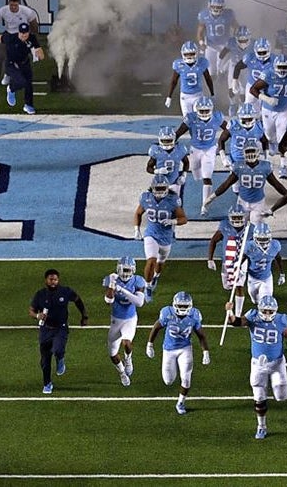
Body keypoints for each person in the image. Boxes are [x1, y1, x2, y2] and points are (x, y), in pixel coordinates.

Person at [225, 294, 287, 440]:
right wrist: (230, 312)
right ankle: (261, 426)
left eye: (270, 311)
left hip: (277, 363)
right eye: (264, 311)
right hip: (258, 364)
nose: (267, 314)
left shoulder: (281, 320)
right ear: (259, 309)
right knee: (259, 396)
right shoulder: (252, 316)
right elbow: (236, 322)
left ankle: (276, 389)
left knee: (281, 396)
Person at [145, 291, 210, 415]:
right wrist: (150, 344)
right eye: (180, 306)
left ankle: (180, 402)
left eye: (185, 306)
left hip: (185, 348)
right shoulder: (167, 313)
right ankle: (177, 392)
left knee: (186, 378)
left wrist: (205, 352)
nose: (182, 308)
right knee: (168, 381)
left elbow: (201, 335)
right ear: (175, 305)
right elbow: (156, 327)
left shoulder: (194, 315)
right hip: (169, 349)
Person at [29, 269, 88, 394]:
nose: (53, 282)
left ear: (58, 280)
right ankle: (47, 384)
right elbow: (31, 310)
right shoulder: (40, 294)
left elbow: (78, 300)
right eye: (51, 279)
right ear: (46, 280)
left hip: (60, 328)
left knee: (58, 349)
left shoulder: (65, 292)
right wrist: (37, 316)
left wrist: (84, 316)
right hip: (45, 330)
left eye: (55, 279)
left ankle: (60, 359)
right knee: (45, 361)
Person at [204, 142, 287, 222]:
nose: (251, 154)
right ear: (244, 153)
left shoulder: (265, 167)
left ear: (257, 152)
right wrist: (212, 197)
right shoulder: (239, 166)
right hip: (242, 201)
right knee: (240, 226)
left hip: (258, 203)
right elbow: (227, 184)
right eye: (248, 151)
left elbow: (276, 184)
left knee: (255, 225)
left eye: (253, 151)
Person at [131, 175, 188, 294]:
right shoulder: (146, 198)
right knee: (151, 260)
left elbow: (183, 219)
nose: (161, 191)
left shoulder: (172, 200)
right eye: (158, 188)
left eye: (163, 188)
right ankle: (147, 287)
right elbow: (138, 213)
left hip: (166, 237)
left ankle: (156, 276)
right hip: (151, 233)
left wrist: (173, 221)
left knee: (160, 263)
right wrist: (137, 229)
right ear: (152, 188)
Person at [174, 97, 228, 216]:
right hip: (195, 148)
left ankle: (205, 205)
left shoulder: (217, 117)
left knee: (206, 177)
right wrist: (172, 142)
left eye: (206, 111)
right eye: (201, 111)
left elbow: (229, 129)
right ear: (196, 110)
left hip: (210, 149)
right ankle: (200, 181)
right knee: (196, 174)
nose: (204, 113)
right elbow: (180, 131)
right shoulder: (191, 118)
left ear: (211, 109)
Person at [0, 22, 44, 115]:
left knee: (29, 84)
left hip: (25, 63)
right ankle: (11, 89)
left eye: (26, 33)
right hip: (12, 64)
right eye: (22, 33)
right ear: (19, 32)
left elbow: (39, 50)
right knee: (21, 82)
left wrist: (39, 54)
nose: (24, 35)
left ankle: (28, 105)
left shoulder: (32, 38)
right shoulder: (11, 38)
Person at [249, 54, 287, 160]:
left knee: (283, 136)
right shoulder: (269, 74)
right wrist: (267, 99)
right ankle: (272, 142)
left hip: (285, 109)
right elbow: (253, 89)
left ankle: (283, 164)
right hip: (268, 109)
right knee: (269, 134)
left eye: (284, 67)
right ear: (275, 67)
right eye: (280, 67)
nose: (282, 70)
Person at [103, 257, 147, 387]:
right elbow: (108, 300)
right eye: (124, 269)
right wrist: (111, 284)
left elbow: (139, 302)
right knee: (112, 353)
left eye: (128, 270)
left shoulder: (138, 281)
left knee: (127, 343)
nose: (126, 273)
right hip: (116, 319)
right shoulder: (111, 279)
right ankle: (122, 372)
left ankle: (128, 359)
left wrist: (121, 290)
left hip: (130, 318)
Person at [234, 222, 285, 304]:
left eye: (265, 239)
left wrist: (282, 274)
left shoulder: (275, 246)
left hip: (267, 278)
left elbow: (278, 258)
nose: (263, 242)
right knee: (255, 301)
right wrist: (238, 269)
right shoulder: (249, 247)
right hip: (253, 278)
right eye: (260, 239)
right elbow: (241, 259)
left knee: (264, 302)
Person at [164, 41, 215, 118]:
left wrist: (212, 94)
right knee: (187, 121)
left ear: (196, 53)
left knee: (198, 118)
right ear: (182, 54)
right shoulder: (179, 65)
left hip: (198, 95)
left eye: (191, 54)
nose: (189, 56)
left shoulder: (201, 63)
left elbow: (208, 79)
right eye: (187, 54)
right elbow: (174, 81)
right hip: (185, 97)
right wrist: (169, 97)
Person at [196, 0, 238, 79]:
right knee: (211, 71)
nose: (216, 9)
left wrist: (234, 41)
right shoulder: (204, 15)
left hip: (224, 46)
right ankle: (213, 90)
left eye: (218, 7)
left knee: (222, 71)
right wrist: (201, 43)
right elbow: (200, 32)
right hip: (210, 45)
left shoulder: (228, 14)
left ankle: (222, 88)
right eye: (214, 6)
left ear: (223, 6)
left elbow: (236, 28)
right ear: (209, 6)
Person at [148, 126, 190, 202]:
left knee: (176, 204)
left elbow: (186, 163)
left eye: (169, 140)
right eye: (164, 141)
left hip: (175, 181)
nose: (167, 143)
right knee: (159, 203)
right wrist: (158, 171)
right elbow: (148, 168)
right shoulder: (156, 151)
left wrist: (184, 175)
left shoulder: (180, 149)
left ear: (174, 139)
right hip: (160, 183)